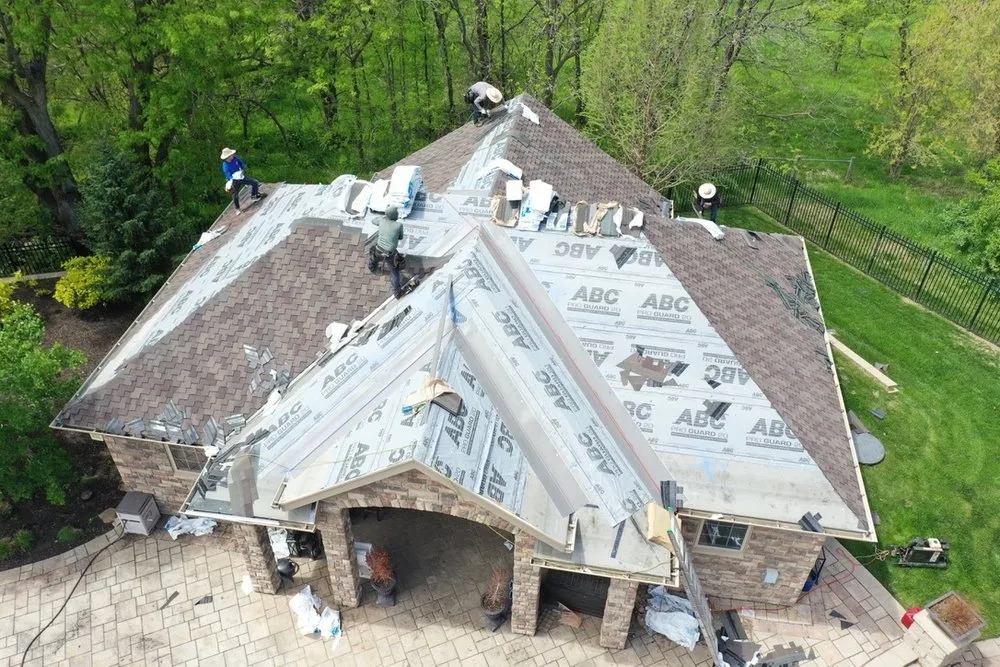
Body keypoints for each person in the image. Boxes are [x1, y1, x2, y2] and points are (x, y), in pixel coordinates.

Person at [220, 147, 264, 214]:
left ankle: (254, 196)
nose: (232, 155)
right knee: (235, 195)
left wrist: (243, 168)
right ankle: (237, 209)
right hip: (234, 180)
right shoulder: (225, 166)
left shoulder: (235, 158)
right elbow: (228, 175)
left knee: (255, 182)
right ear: (227, 157)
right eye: (231, 155)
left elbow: (241, 163)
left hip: (241, 176)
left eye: (232, 154)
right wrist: (232, 178)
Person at [375, 206, 405, 298]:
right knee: (395, 271)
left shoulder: (382, 221)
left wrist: (383, 218)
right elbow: (400, 237)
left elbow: (373, 220)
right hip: (390, 253)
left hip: (378, 249)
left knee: (374, 253)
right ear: (395, 215)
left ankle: (372, 266)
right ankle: (397, 292)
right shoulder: (398, 225)